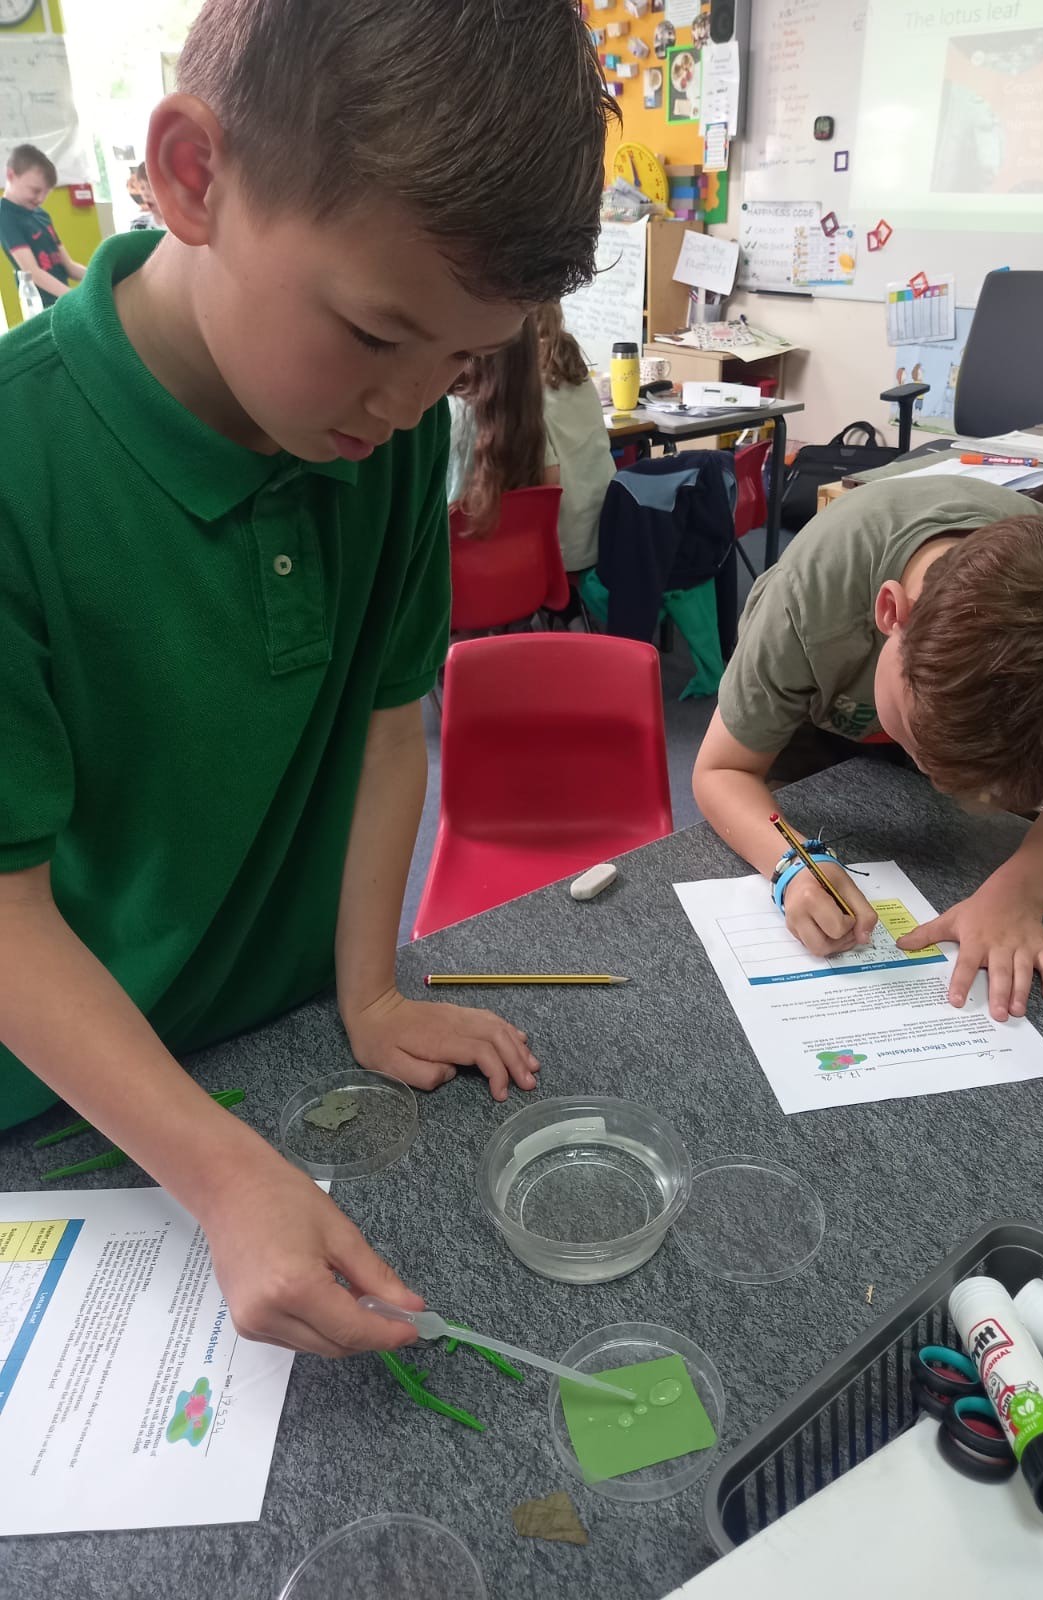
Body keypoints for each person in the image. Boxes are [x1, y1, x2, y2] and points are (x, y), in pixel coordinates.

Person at [0, 0, 614, 1358]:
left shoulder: (378, 440)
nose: (409, 405)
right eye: (377, 334)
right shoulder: (17, 463)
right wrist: (219, 1175)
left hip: (281, 1042)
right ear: (194, 175)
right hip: (61, 1106)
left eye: (461, 360)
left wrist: (372, 991)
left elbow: (390, 727)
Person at [692, 478, 1043, 1025]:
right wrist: (793, 865)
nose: (940, 785)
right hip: (815, 713)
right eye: (926, 755)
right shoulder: (806, 599)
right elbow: (722, 768)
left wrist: (1015, 894)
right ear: (892, 612)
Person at [445, 318, 559, 531]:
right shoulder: (528, 418)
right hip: (518, 549)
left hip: (455, 549)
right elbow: (551, 481)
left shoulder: (448, 414)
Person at [533, 301, 614, 572]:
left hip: (566, 545)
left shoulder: (528, 392)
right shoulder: (578, 373)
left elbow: (549, 477)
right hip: (609, 526)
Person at [0, 144, 88, 308]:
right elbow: (32, 272)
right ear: (11, 176)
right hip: (43, 309)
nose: (41, 199)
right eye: (35, 190)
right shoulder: (5, 216)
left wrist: (99, 276)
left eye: (46, 193)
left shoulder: (42, 215)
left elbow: (68, 266)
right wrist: (74, 298)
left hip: (63, 302)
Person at [128, 161, 164, 229]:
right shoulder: (138, 225)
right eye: (142, 188)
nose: (145, 194)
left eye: (151, 187)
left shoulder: (182, 227)